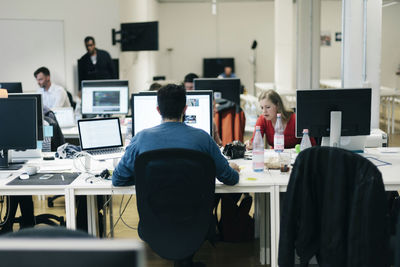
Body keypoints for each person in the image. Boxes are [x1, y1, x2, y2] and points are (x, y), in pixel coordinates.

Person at [112, 84, 240, 187]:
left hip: (153, 217)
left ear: (158, 110)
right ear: (185, 109)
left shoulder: (140, 139)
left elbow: (118, 179)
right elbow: (231, 179)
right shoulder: (203, 138)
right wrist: (231, 169)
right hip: (196, 216)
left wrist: (145, 180)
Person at [245, 89, 315, 150]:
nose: (264, 111)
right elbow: (254, 142)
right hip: (275, 157)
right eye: (262, 108)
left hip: (296, 159)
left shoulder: (295, 119)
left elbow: (311, 145)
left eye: (268, 107)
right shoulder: (262, 119)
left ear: (277, 105)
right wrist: (250, 145)